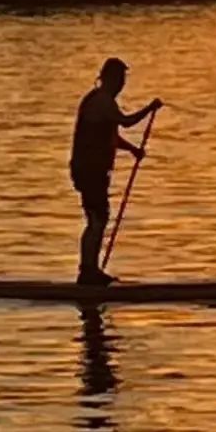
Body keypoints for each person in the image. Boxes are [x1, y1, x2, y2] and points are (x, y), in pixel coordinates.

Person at [70, 58, 163, 285]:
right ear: (110, 78)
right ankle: (87, 271)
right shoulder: (101, 101)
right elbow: (126, 122)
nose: (122, 84)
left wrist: (132, 150)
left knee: (99, 218)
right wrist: (150, 108)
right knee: (96, 219)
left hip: (95, 170)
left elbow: (110, 136)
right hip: (89, 170)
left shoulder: (104, 102)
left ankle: (90, 270)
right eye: (120, 79)